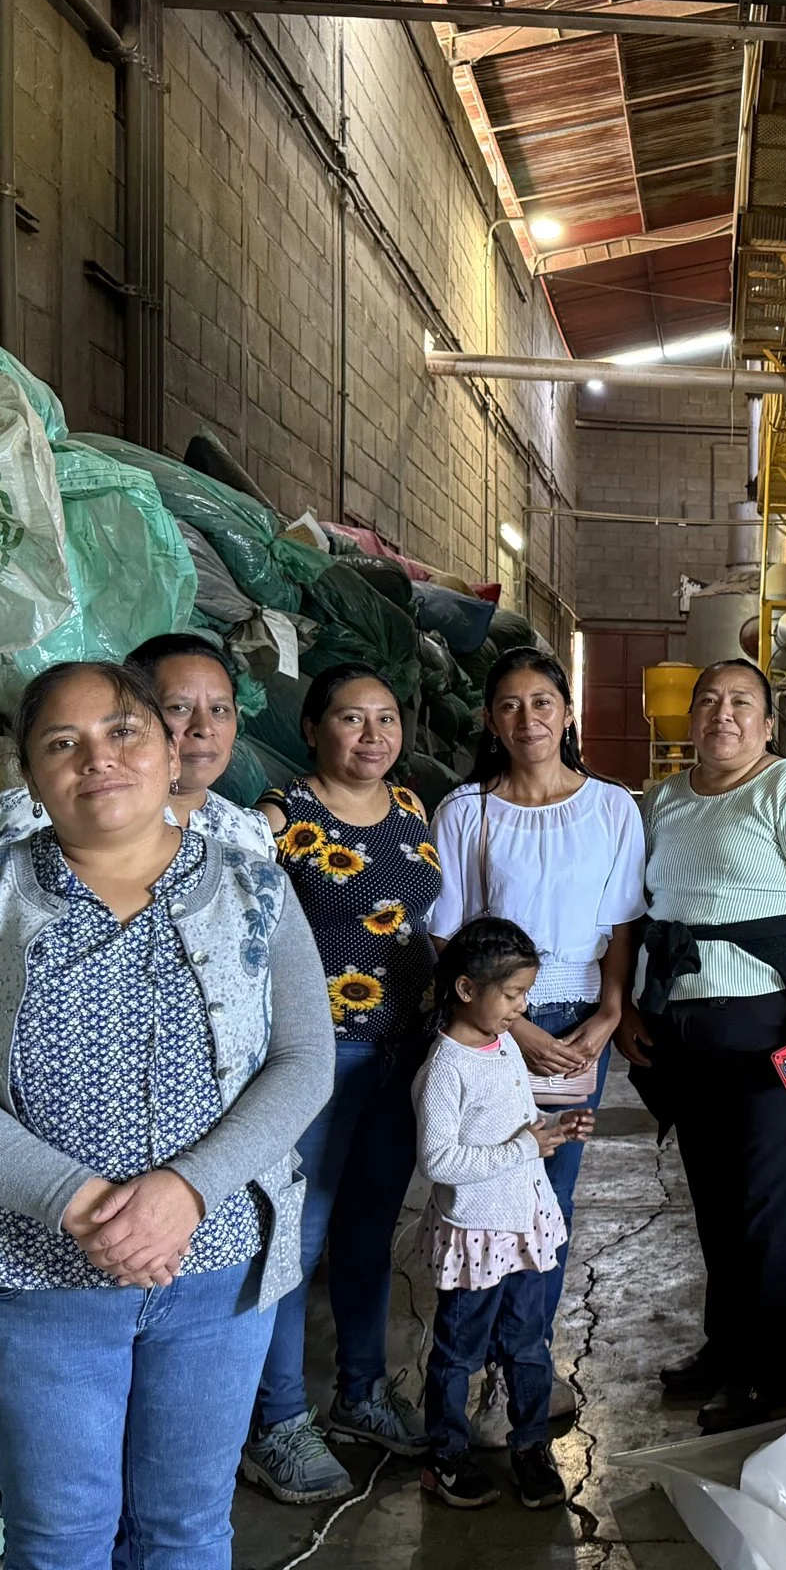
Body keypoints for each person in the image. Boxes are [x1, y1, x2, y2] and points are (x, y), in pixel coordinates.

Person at [0, 660, 331, 1570]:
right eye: (63, 743)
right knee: (60, 1533)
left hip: (215, 1265)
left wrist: (186, 1191)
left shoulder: (253, 888)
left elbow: (303, 1061)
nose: (100, 758)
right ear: (31, 775)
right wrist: (78, 1200)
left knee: (187, 1524)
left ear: (167, 745)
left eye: (123, 730)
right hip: (29, 1280)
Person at [618, 658, 786, 1433]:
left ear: (767, 724)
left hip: (769, 1027)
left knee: (766, 1202)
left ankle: (765, 1368)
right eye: (709, 702)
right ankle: (725, 1348)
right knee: (716, 1197)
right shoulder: (661, 801)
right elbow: (635, 910)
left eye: (742, 703)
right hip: (683, 1026)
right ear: (688, 720)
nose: (723, 715)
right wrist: (626, 1005)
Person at [425, 646, 643, 1421]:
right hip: (491, 1034)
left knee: (550, 1202)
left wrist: (610, 1014)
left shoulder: (614, 808)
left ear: (568, 711)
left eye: (542, 702)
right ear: (490, 720)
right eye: (510, 706)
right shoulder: (466, 812)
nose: (528, 719)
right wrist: (513, 1026)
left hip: (580, 1024)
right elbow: (451, 942)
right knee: (486, 1197)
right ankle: (478, 1364)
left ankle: (527, 1367)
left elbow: (621, 925)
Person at [240, 665, 442, 1503]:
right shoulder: (281, 819)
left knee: (368, 1231)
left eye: (386, 719)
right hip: (312, 1061)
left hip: (401, 1051)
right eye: (352, 719)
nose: (373, 735)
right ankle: (278, 1421)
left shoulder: (411, 809)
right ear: (314, 726)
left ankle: (361, 1391)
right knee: (296, 1236)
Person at [413, 916, 589, 1511]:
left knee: (529, 1346)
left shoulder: (503, 1042)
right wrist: (524, 1146)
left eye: (524, 993)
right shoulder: (445, 1067)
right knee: (459, 1351)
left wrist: (554, 1130)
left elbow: (512, 1122)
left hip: (523, 1226)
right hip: (475, 1234)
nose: (523, 1007)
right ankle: (444, 1456)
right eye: (512, 995)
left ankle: (531, 1445)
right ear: (467, 990)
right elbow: (440, 1160)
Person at [0, 634, 275, 858]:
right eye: (178, 708)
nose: (204, 729)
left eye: (220, 710)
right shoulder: (45, 811)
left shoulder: (251, 832)